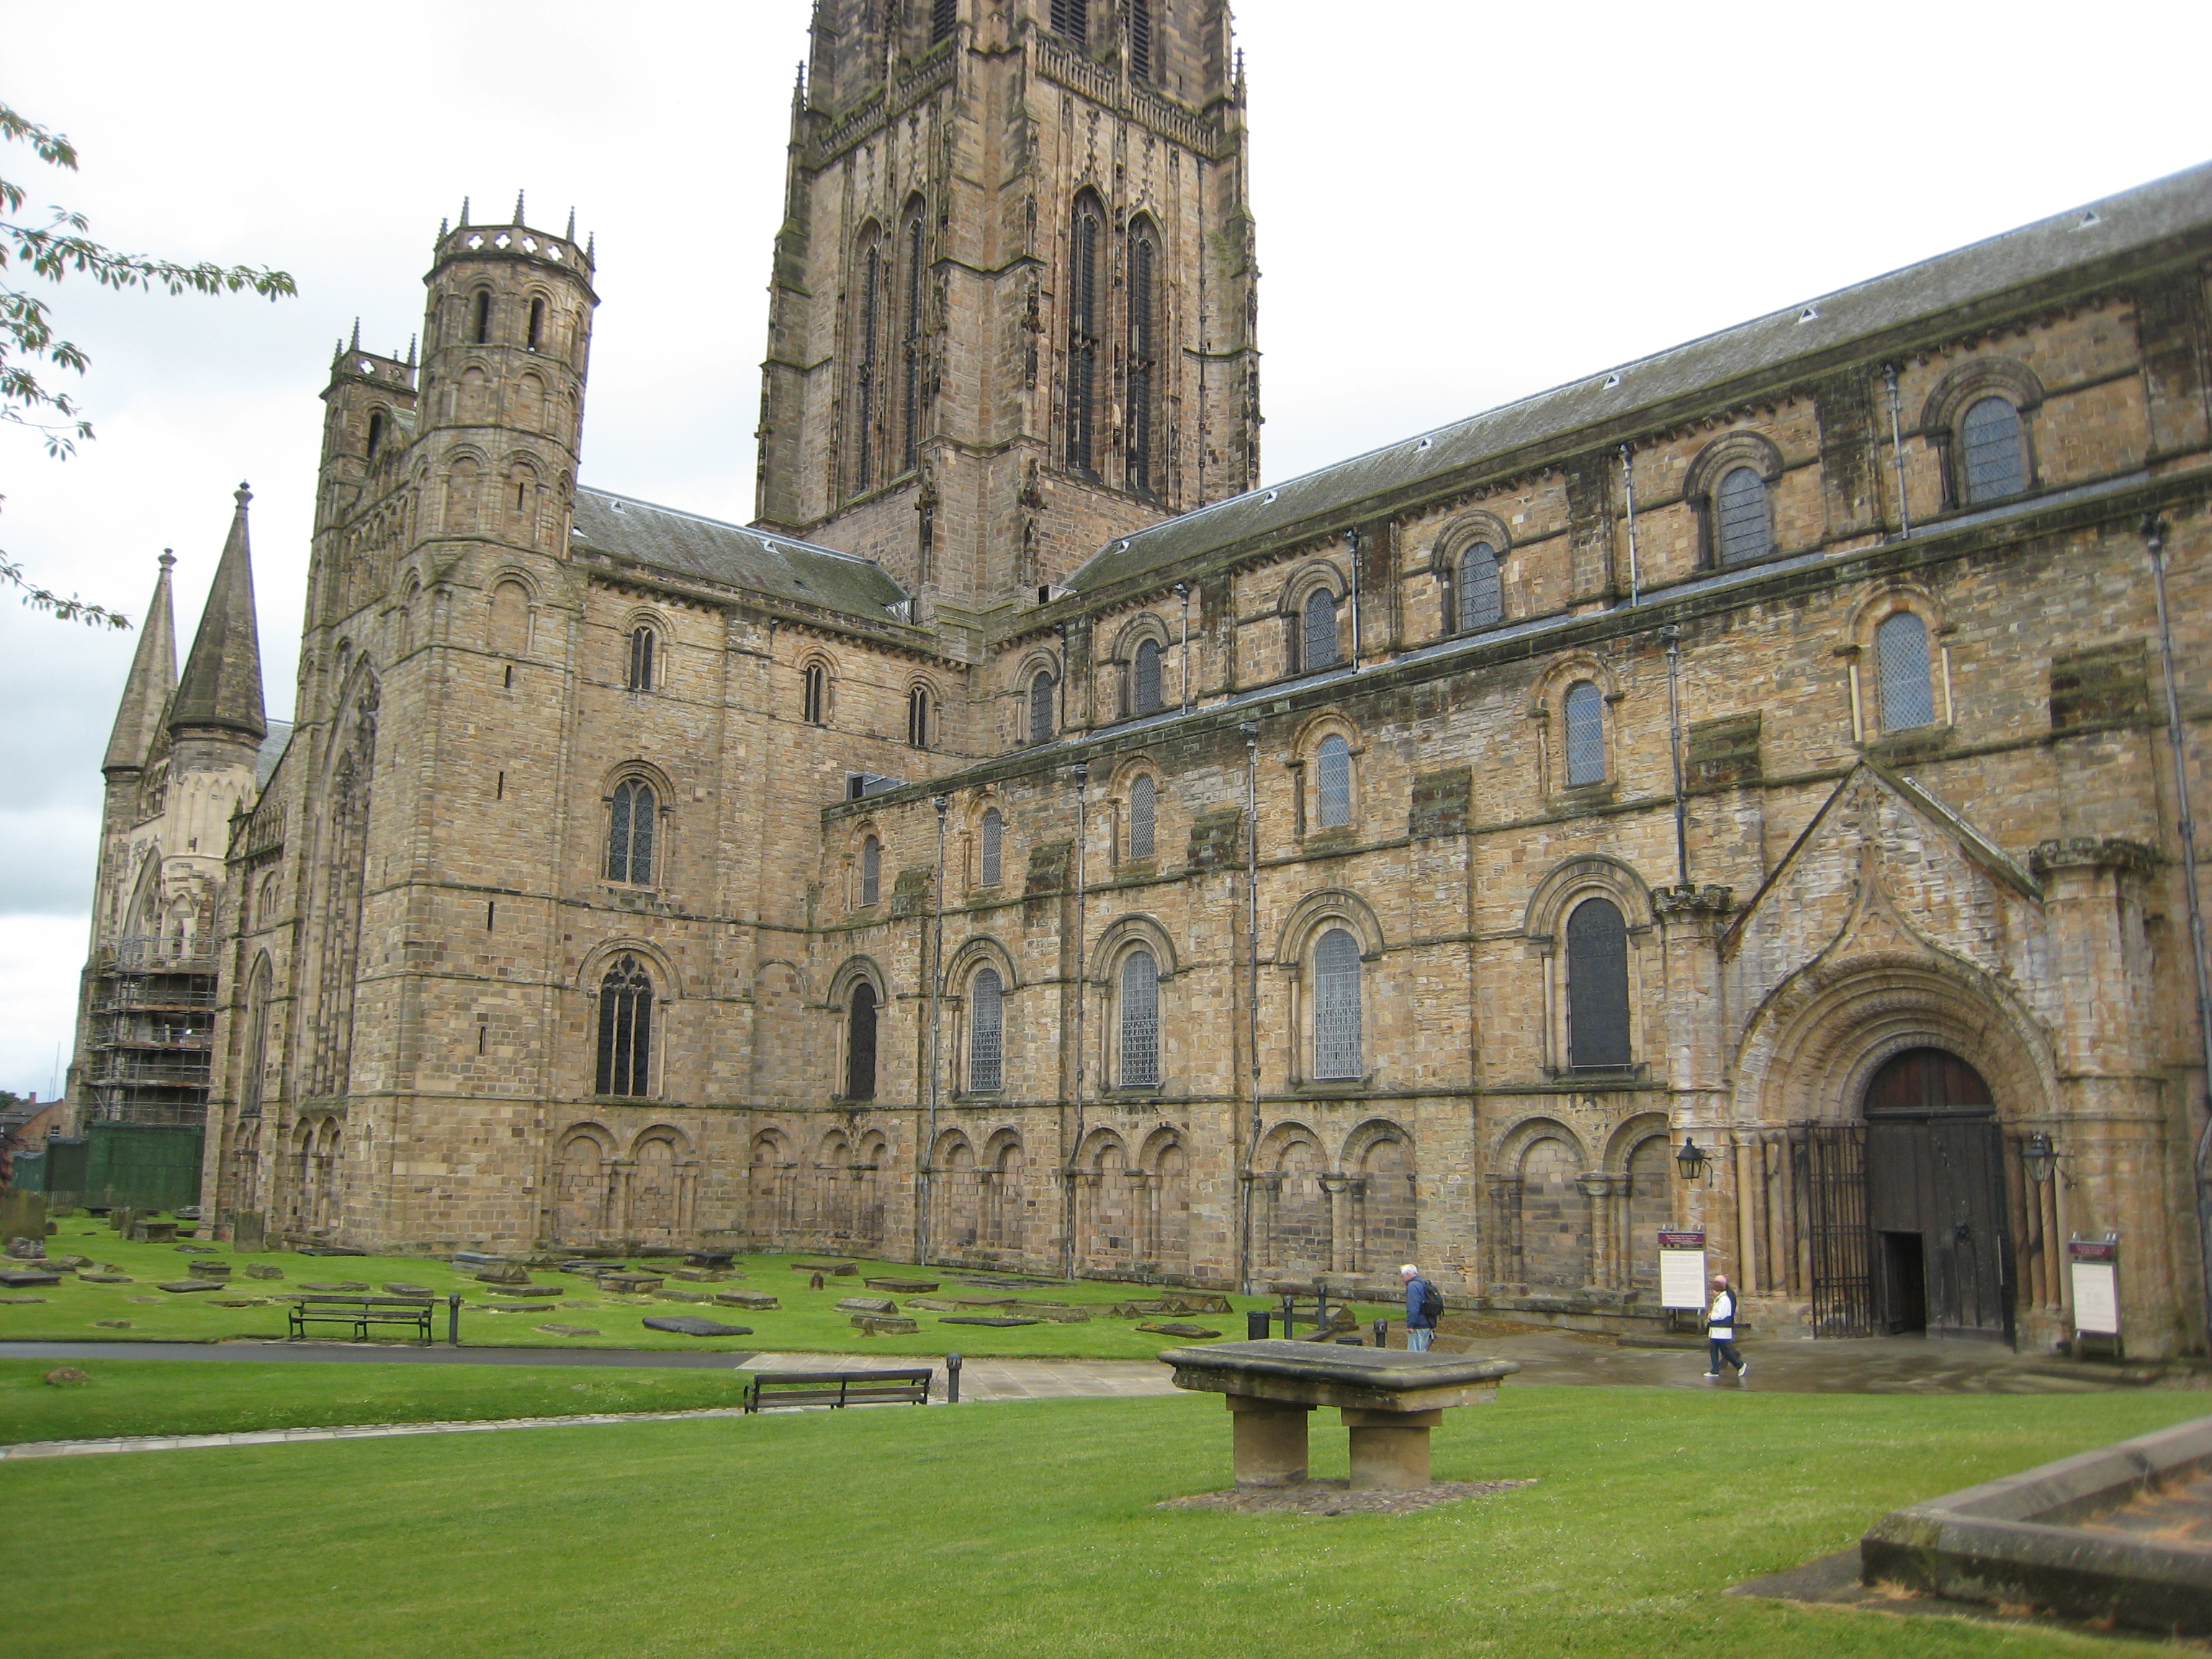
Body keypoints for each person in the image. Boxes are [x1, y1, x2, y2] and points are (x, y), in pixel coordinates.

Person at [1705, 1274, 1748, 1381]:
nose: (1712, 1293)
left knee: (1725, 1350)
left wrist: (1711, 1316)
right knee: (1715, 1349)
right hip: (1717, 1329)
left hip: (1722, 1329)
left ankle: (1740, 1365)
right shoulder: (1720, 1299)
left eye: (1713, 1291)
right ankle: (1715, 1370)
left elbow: (1721, 1315)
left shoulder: (1724, 1299)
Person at [1401, 1262, 1439, 1352]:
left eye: (1403, 1275)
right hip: (1428, 1322)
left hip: (1419, 1324)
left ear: (1408, 1274)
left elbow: (1413, 1307)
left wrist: (1410, 1325)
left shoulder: (1413, 1286)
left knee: (1414, 1353)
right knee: (1423, 1351)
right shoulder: (1424, 1283)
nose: (1403, 1278)